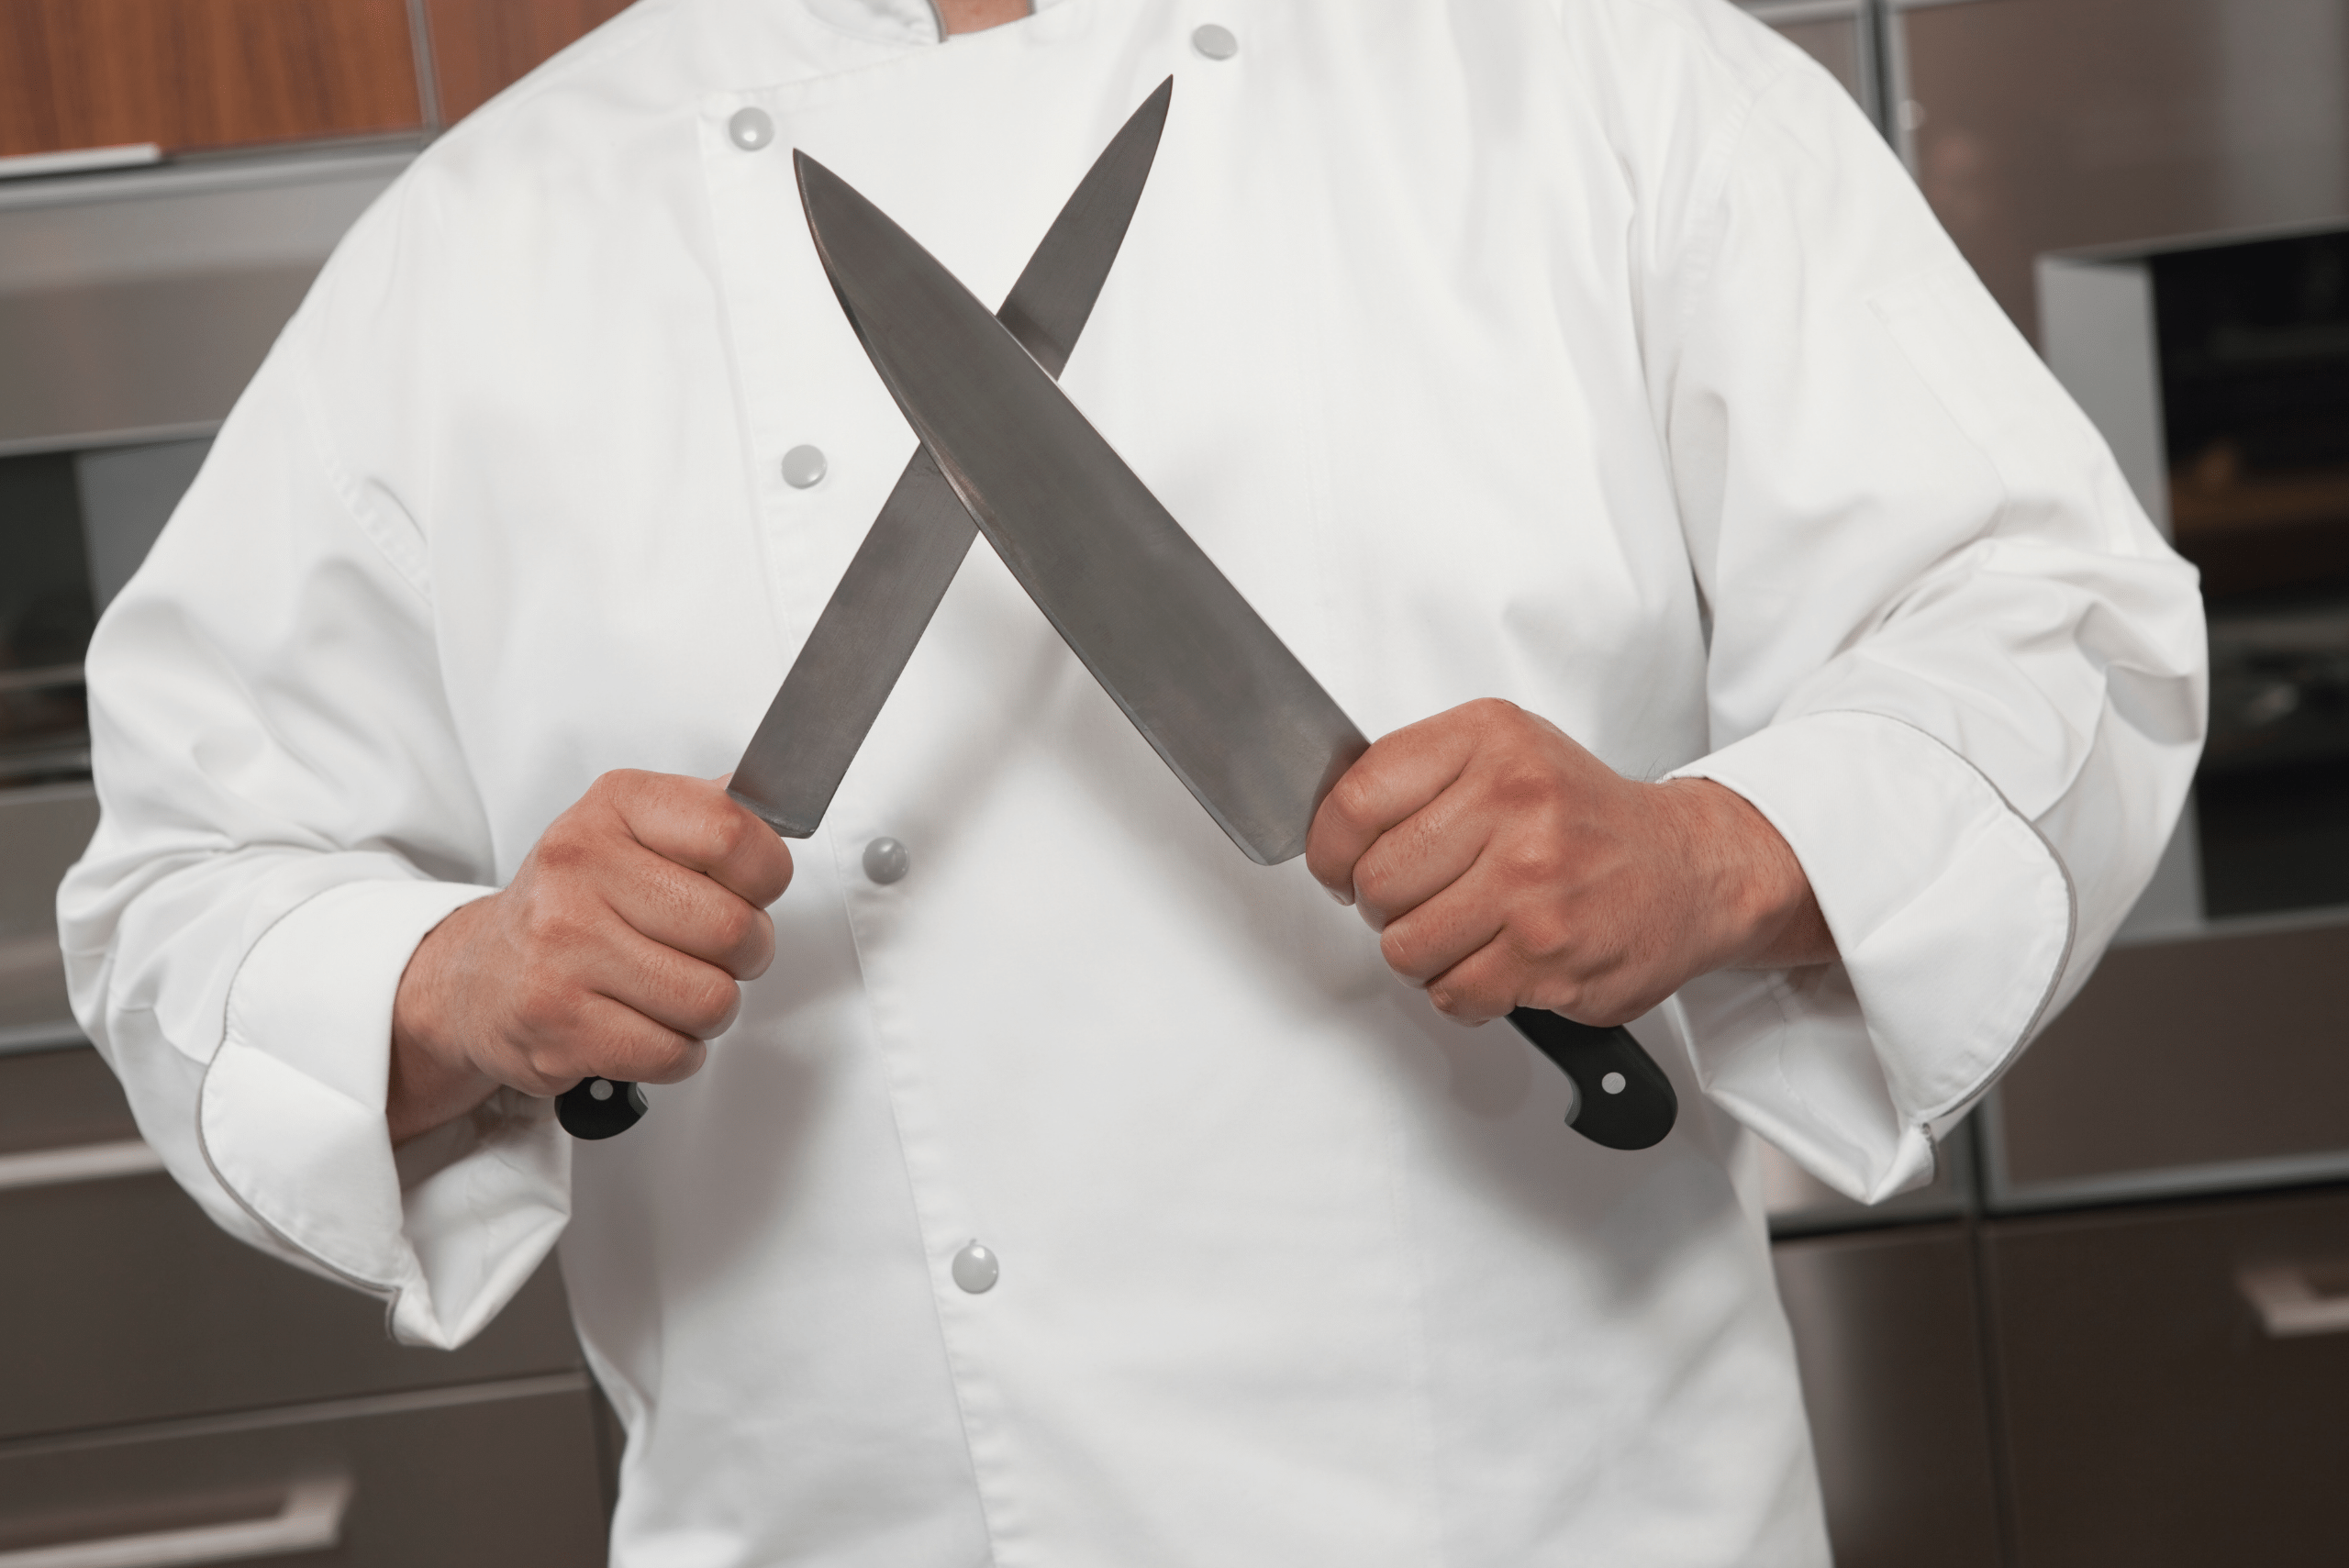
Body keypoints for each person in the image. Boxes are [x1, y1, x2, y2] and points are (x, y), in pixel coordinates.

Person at [60, 0, 2206, 1562]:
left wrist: (1713, 849)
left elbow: (2047, 628)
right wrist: (454, 979)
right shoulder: (491, 240)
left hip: (1568, 1517)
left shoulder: (1599, 82)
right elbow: (180, 891)